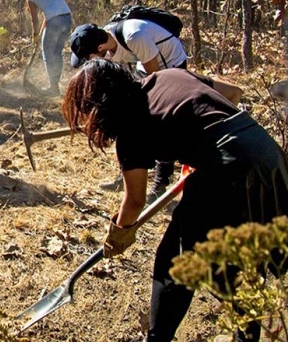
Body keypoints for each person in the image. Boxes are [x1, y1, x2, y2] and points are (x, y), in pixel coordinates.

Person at [62, 59, 288, 342]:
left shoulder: (132, 130)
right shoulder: (168, 75)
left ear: (101, 106)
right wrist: (202, 149)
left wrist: (118, 234)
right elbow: (233, 93)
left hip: (230, 168)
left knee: (178, 260)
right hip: (270, 158)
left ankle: (158, 339)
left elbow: (134, 201)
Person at [69, 22, 243, 200]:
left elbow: (155, 79)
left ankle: (160, 183)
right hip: (143, 65)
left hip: (169, 66)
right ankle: (129, 175)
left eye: (89, 58)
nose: (90, 64)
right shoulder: (105, 42)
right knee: (128, 122)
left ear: (100, 48)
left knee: (158, 124)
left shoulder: (134, 37)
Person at [21, 0, 73, 96]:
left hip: (54, 22)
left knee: (47, 54)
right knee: (57, 52)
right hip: (67, 19)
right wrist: (53, 13)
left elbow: (35, 19)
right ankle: (55, 84)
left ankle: (53, 88)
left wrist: (35, 34)